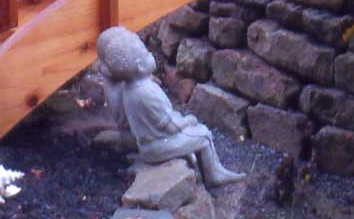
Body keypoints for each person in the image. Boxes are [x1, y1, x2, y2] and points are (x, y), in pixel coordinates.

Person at [97, 26, 245, 187]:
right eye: (146, 53)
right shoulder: (147, 91)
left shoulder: (128, 89)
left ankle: (206, 167)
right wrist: (188, 120)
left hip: (147, 143)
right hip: (157, 146)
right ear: (140, 66)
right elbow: (169, 126)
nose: (150, 54)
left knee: (192, 134)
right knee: (203, 135)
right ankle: (215, 176)